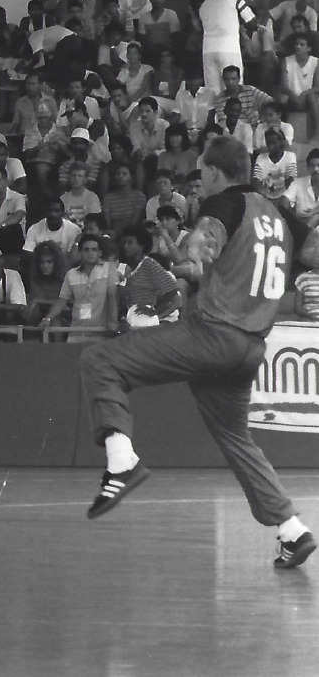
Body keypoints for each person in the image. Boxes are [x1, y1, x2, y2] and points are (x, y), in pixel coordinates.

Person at [77, 136, 314, 568]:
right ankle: (292, 531)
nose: (197, 183)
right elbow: (309, 248)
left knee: (100, 360)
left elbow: (206, 244)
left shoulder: (224, 203)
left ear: (216, 173)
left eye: (201, 173)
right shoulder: (278, 214)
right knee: (235, 437)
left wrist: (193, 245)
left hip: (213, 335)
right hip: (250, 347)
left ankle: (121, 460)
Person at [199, 0, 257, 92]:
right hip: (229, 48)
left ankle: (215, 110)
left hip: (208, 51)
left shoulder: (203, 5)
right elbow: (252, 23)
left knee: (212, 90)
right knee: (234, 87)